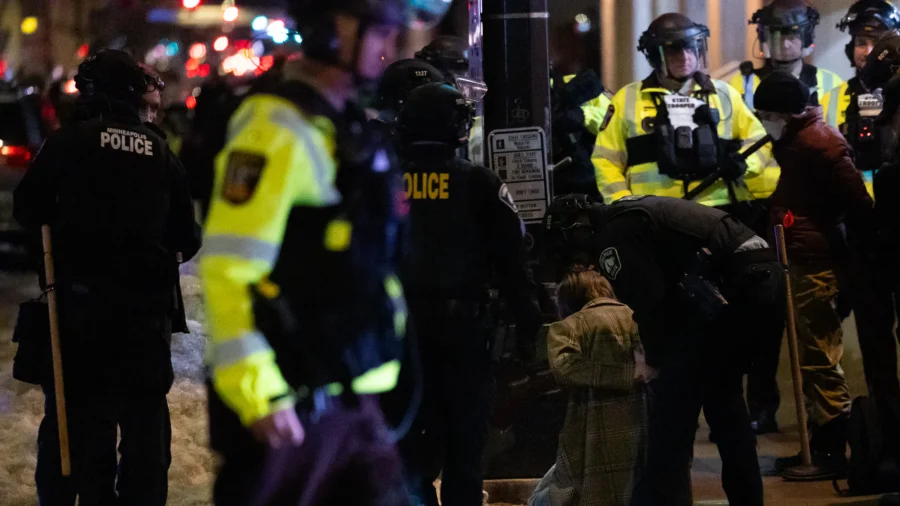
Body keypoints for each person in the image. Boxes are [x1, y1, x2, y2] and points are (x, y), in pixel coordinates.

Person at [199, 0, 451, 504]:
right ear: (329, 29)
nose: (389, 46)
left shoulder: (346, 125)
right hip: (292, 413)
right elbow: (230, 268)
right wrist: (260, 394)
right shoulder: (276, 129)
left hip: (351, 402)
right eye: (379, 31)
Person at [13, 48, 201, 506]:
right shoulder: (158, 148)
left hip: (79, 311)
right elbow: (187, 235)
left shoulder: (68, 142)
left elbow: (27, 209)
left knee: (77, 420)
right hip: (144, 316)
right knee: (144, 426)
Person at [544, 193, 783, 506]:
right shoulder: (632, 217)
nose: (580, 260)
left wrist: (654, 363)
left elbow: (650, 304)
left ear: (579, 228)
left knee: (673, 413)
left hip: (736, 287)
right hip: (760, 281)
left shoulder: (613, 238)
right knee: (724, 403)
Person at [393, 82, 542, 506]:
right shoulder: (479, 182)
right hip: (464, 331)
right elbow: (513, 259)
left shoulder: (382, 181)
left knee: (409, 442)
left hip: (399, 333)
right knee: (465, 443)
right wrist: (528, 321)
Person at [754, 71, 876, 480]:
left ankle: (829, 452)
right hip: (800, 259)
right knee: (808, 358)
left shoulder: (819, 144)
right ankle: (817, 444)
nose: (764, 121)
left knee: (820, 358)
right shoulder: (796, 141)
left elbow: (857, 204)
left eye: (767, 113)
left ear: (787, 112)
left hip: (817, 265)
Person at [592, 13, 771, 216]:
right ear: (654, 55)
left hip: (719, 211)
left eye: (690, 47)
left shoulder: (724, 94)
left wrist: (744, 164)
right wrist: (624, 205)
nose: (685, 57)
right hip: (654, 214)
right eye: (673, 50)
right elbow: (606, 160)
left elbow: (760, 140)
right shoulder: (628, 99)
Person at [529, 270, 651, 506]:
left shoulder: (569, 327)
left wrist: (624, 374)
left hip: (590, 430)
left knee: (549, 496)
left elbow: (565, 368)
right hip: (638, 425)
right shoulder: (636, 317)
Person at [822, 0, 900, 194]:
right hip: (849, 206)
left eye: (877, 43)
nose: (869, 52)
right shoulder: (831, 98)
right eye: (861, 43)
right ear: (850, 50)